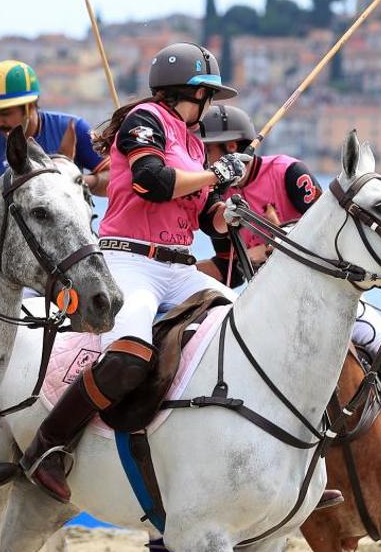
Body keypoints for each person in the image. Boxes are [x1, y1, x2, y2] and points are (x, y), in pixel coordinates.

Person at [19, 42, 249, 503]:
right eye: (206, 95)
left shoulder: (191, 142)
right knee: (126, 357)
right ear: (188, 91)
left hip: (181, 267)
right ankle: (47, 446)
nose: (207, 105)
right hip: (129, 262)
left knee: (252, 329)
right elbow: (153, 181)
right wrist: (214, 174)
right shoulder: (144, 120)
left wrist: (228, 211)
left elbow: (206, 219)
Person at [196, 104, 381, 488]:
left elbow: (333, 228)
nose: (203, 157)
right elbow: (230, 268)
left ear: (233, 146)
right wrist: (238, 258)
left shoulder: (288, 172)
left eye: (208, 149)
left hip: (329, 300)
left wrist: (281, 236)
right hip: (267, 314)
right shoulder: (216, 201)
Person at [0, 59, 109, 221]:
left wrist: (78, 182)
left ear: (30, 106)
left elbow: (115, 178)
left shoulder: (74, 128)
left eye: (5, 113)